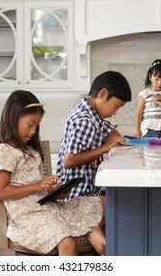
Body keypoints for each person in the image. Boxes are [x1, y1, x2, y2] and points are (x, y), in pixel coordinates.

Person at [0, 90, 106, 256]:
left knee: (100, 202)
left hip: (46, 207)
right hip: (28, 216)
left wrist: (55, 191)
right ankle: (91, 235)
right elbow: (0, 192)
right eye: (30, 124)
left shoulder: (30, 150)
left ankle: (94, 236)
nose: (33, 131)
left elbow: (37, 188)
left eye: (37, 125)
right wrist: (37, 186)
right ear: (13, 118)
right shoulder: (4, 151)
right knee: (67, 243)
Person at [56, 71, 132, 228]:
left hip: (88, 194)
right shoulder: (85, 120)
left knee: (120, 208)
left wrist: (95, 151)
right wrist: (103, 148)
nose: (115, 112)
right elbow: (69, 160)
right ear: (103, 94)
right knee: (124, 211)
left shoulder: (92, 114)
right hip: (78, 198)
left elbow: (113, 134)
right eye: (116, 106)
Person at [134, 59, 161, 138]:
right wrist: (137, 130)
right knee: (148, 149)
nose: (160, 83)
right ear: (150, 77)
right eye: (156, 79)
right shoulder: (144, 94)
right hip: (148, 129)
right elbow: (139, 113)